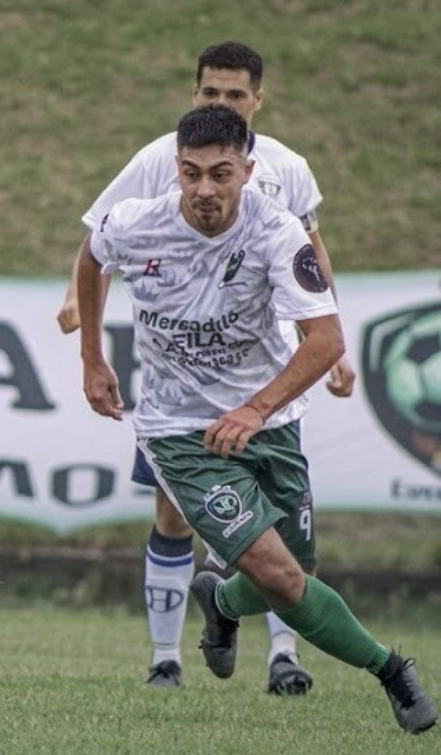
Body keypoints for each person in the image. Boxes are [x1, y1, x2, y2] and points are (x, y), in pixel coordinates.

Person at [76, 103, 437, 734]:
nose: (204, 190)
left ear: (247, 170)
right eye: (190, 174)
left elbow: (324, 341)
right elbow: (90, 257)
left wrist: (255, 408)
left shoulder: (277, 233)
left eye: (220, 174)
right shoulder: (137, 223)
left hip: (267, 423)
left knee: (295, 573)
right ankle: (392, 671)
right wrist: (91, 360)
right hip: (179, 430)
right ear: (175, 171)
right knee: (280, 576)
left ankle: (219, 597)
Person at [57, 41, 356, 693]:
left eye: (235, 94)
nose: (222, 103)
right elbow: (97, 240)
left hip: (270, 380)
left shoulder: (286, 168)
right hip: (184, 382)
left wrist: (339, 345)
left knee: (278, 527)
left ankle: (285, 658)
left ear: (258, 102)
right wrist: (81, 319)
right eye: (210, 93)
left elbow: (313, 250)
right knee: (173, 513)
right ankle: (166, 657)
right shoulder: (159, 162)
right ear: (195, 95)